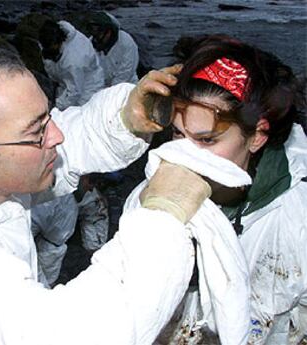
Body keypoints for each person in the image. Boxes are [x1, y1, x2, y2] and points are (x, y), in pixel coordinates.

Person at [0, 46, 213, 344]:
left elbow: (66, 140)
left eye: (48, 117)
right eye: (38, 133)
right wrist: (162, 220)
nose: (56, 135)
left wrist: (125, 117)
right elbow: (75, 334)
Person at [123, 35, 307, 344]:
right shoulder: (149, 197)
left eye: (206, 140)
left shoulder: (298, 216)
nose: (186, 155)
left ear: (257, 137)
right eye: (178, 135)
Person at [38, 19, 105, 110]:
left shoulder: (74, 60)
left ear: (59, 41)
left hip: (87, 90)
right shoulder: (50, 39)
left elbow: (74, 91)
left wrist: (55, 107)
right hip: (64, 82)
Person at [87, 11, 139, 86]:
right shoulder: (90, 44)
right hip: (101, 88)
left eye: (99, 33)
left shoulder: (126, 42)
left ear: (109, 32)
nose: (96, 38)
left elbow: (125, 73)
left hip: (127, 86)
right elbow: (90, 73)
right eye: (93, 31)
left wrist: (110, 93)